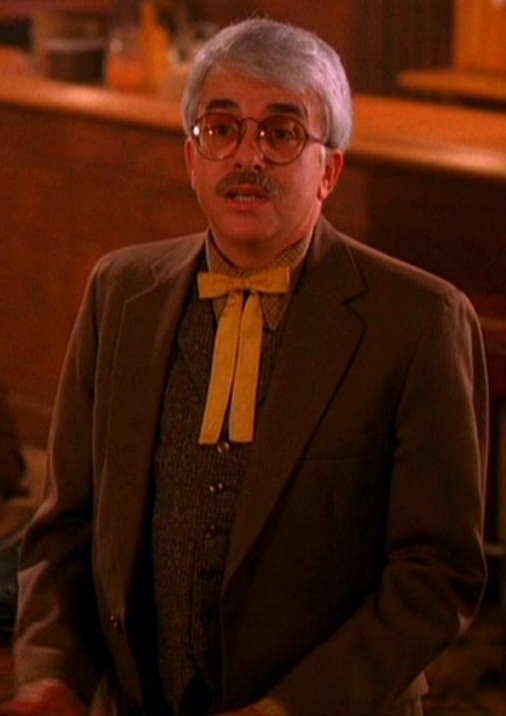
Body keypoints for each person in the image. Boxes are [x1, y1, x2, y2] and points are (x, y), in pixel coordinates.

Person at [0, 17, 488, 716]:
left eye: (282, 133)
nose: (247, 157)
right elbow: (65, 529)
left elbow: (436, 575)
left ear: (330, 171)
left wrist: (291, 709)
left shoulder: (419, 322)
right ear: (191, 159)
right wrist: (53, 675)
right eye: (221, 129)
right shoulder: (119, 293)